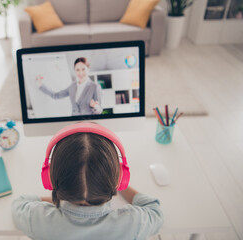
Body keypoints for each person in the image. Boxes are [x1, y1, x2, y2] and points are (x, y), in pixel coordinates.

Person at [11, 124, 164, 240]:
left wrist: (59, 197)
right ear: (120, 178)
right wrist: (116, 182)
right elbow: (155, 210)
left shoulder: (38, 220)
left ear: (50, 179)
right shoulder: (133, 223)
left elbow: (19, 203)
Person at [36, 57, 103, 116]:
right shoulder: (72, 86)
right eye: (77, 70)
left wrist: (95, 106)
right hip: (73, 124)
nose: (80, 73)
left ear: (88, 69)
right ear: (74, 71)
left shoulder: (95, 87)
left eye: (83, 69)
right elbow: (55, 95)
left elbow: (99, 111)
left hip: (88, 124)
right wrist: (41, 84)